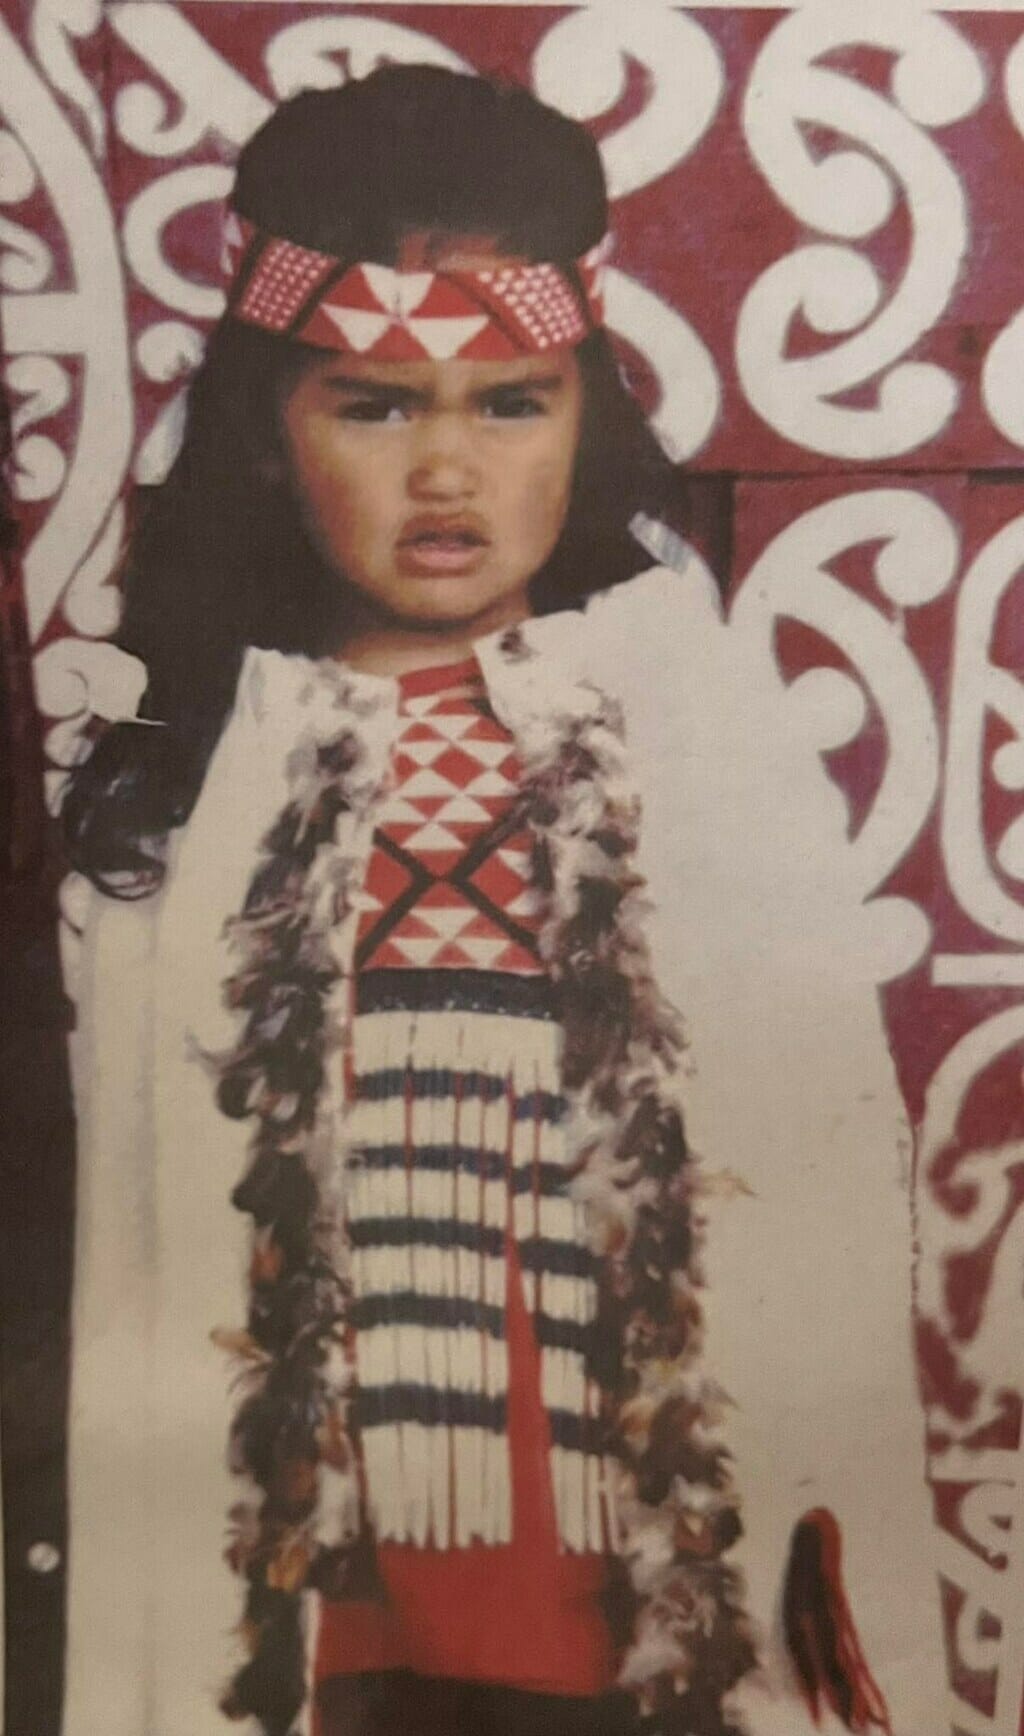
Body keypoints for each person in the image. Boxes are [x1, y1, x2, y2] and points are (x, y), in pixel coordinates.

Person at [60, 65, 942, 1736]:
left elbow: (815, 1175)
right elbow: (152, 1250)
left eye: (510, 401)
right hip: (317, 1530)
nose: (446, 470)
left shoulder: (707, 737)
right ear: (270, 422)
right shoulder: (197, 764)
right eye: (376, 406)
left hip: (621, 1516)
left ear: (585, 409)